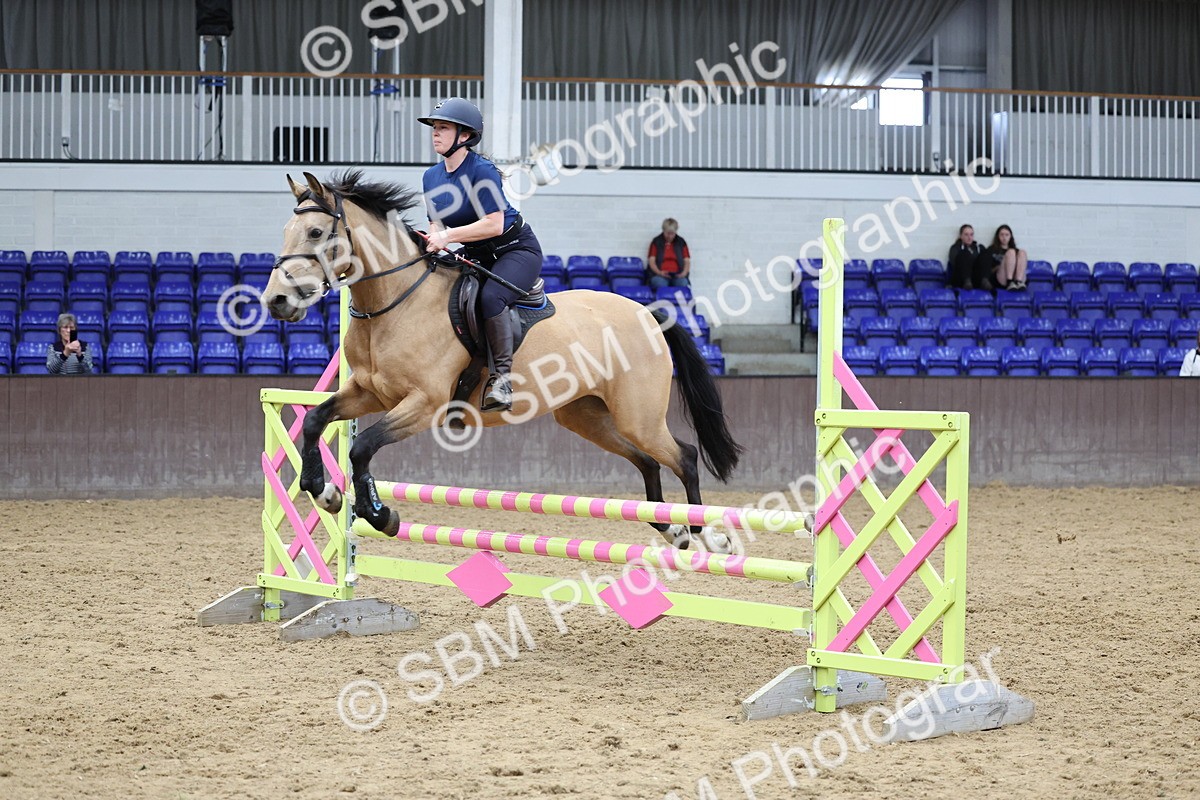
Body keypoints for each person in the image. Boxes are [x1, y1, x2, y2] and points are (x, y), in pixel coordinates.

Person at [419, 97, 543, 413]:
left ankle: (501, 382)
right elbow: (436, 222)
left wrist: (446, 236)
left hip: (515, 250)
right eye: (434, 127)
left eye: (443, 127)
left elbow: (494, 223)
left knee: (490, 299)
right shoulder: (431, 177)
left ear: (465, 135)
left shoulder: (482, 170)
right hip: (475, 254)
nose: (435, 133)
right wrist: (435, 238)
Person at [647, 218, 691, 289]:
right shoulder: (656, 242)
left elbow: (687, 261)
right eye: (668, 233)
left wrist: (683, 273)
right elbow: (651, 261)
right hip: (659, 276)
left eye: (672, 234)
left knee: (683, 283)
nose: (670, 236)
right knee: (660, 283)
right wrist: (659, 272)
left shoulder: (681, 242)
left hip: (677, 276)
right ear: (663, 231)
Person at [947, 224, 992, 290]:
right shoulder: (955, 248)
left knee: (986, 253)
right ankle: (967, 281)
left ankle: (985, 280)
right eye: (966, 235)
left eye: (971, 235)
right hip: (960, 277)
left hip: (975, 277)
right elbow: (955, 264)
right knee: (964, 253)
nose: (969, 237)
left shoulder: (979, 247)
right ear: (961, 236)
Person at [986, 224, 1028, 290]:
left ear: (1010, 236)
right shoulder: (991, 250)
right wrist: (998, 267)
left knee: (1022, 252)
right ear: (998, 236)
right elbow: (987, 270)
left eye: (1007, 235)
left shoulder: (1016, 251)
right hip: (1001, 278)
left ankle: (1018, 282)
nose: (1004, 238)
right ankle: (1009, 282)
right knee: (1011, 252)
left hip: (1016, 277)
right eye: (1002, 235)